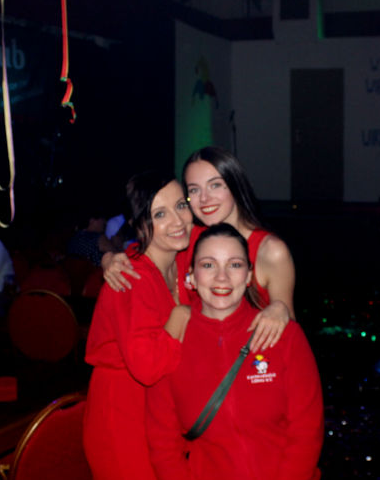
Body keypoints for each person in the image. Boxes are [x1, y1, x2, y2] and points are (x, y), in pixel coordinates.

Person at [146, 223, 324, 480]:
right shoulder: (172, 344)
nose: (222, 277)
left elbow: (307, 435)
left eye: (235, 264)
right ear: (191, 277)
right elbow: (163, 450)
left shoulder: (285, 337)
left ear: (250, 275)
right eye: (208, 265)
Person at [83, 172, 193, 480]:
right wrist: (179, 318)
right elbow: (148, 367)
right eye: (159, 214)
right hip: (123, 427)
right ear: (141, 223)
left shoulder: (181, 261)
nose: (176, 221)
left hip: (155, 423)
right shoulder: (133, 278)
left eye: (180, 206)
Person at [102, 146, 296, 352]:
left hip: (255, 361)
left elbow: (290, 330)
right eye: (194, 190)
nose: (204, 199)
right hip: (202, 359)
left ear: (235, 185)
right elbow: (149, 248)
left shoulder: (270, 251)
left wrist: (281, 309)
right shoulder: (189, 238)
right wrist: (110, 258)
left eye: (215, 185)